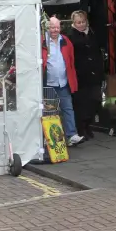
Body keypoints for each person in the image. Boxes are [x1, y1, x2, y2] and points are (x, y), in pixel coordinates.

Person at [41, 16, 84, 146]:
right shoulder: (42, 42)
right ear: (47, 28)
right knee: (49, 111)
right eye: (52, 27)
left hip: (63, 82)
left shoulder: (66, 41)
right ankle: (49, 138)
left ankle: (72, 135)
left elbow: (70, 61)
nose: (55, 30)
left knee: (68, 109)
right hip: (48, 83)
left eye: (57, 27)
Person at [67, 10, 103, 140]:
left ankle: (88, 124)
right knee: (81, 103)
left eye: (82, 22)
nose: (81, 24)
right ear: (74, 23)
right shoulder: (71, 36)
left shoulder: (92, 33)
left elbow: (97, 52)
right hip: (80, 74)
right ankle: (81, 128)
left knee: (95, 100)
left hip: (94, 73)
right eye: (78, 22)